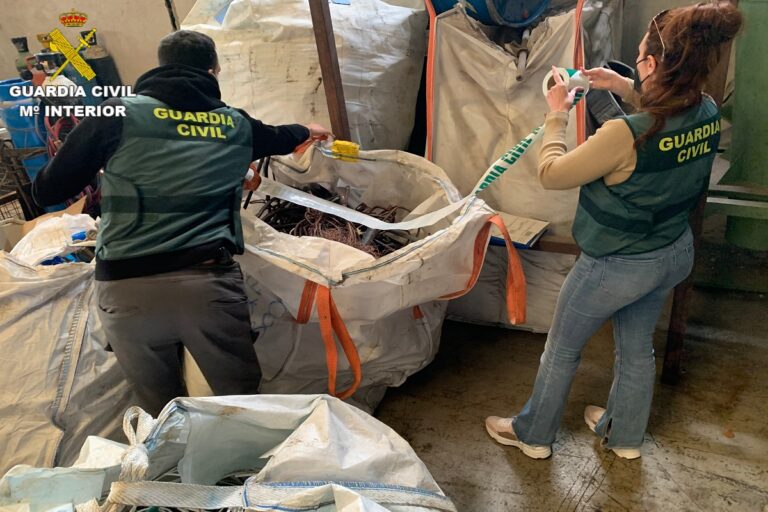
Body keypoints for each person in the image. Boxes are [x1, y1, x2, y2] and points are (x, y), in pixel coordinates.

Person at [485, 2, 742, 460]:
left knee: (562, 348)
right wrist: (622, 85)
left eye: (640, 57)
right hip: (672, 252)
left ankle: (533, 435)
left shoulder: (623, 134)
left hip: (618, 264)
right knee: (637, 348)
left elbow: (552, 174)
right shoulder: (706, 109)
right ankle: (624, 437)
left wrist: (556, 115)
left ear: (651, 64)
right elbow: (665, 122)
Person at [33, 30, 332, 416]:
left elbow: (48, 190)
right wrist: (308, 130)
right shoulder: (235, 125)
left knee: (163, 416)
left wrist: (110, 165)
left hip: (124, 288)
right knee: (243, 409)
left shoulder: (116, 114)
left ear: (160, 67)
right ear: (213, 71)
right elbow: (278, 136)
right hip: (206, 285)